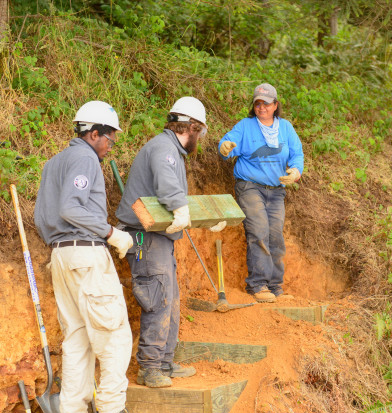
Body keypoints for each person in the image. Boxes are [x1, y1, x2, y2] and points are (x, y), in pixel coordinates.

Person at [33, 100, 153, 413]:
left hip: (60, 256)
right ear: (93, 133)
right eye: (109, 139)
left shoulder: (54, 163)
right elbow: (72, 208)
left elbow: (45, 216)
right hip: (86, 255)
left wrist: (67, 243)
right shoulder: (85, 158)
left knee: (78, 339)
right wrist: (111, 233)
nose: (109, 146)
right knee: (114, 334)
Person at [115, 96, 225, 388]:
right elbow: (168, 185)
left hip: (158, 237)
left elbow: (171, 192)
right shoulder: (164, 149)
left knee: (171, 299)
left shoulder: (171, 150)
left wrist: (206, 216)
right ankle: (149, 368)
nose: (199, 139)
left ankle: (164, 362)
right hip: (145, 236)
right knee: (158, 298)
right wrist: (181, 207)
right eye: (199, 132)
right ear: (191, 126)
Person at [217, 83, 304, 303]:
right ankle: (257, 285)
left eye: (266, 103)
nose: (261, 107)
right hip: (250, 187)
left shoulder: (286, 128)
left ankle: (275, 287)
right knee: (259, 230)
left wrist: (295, 171)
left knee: (275, 236)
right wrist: (225, 147)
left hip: (276, 192)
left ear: (275, 105)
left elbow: (297, 155)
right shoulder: (246, 126)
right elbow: (227, 143)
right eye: (258, 103)